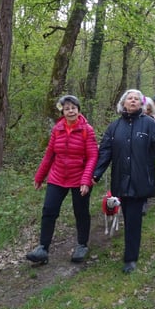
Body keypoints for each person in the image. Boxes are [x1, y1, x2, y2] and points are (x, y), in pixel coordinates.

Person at [93, 89, 155, 273]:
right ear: (123, 103)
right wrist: (96, 174)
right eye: (129, 98)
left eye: (136, 99)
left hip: (140, 179)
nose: (133, 101)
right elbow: (105, 152)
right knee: (127, 215)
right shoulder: (114, 127)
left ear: (141, 104)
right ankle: (130, 252)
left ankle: (130, 258)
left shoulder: (149, 124)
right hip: (121, 178)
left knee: (133, 219)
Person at [26, 95, 99, 265]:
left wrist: (86, 180)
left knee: (81, 212)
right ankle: (43, 248)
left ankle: (82, 245)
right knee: (49, 210)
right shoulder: (57, 129)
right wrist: (39, 176)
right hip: (57, 176)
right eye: (67, 109)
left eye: (73, 108)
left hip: (79, 177)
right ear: (63, 112)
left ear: (78, 110)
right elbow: (49, 155)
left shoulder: (87, 130)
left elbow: (93, 156)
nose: (70, 111)